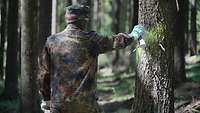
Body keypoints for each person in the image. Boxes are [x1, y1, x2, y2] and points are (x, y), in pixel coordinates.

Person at [38, 4, 134, 113]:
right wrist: (133, 35)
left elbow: (43, 74)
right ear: (84, 20)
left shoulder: (52, 41)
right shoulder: (91, 39)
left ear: (67, 19)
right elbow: (115, 42)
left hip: (59, 105)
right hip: (86, 105)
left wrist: (46, 100)